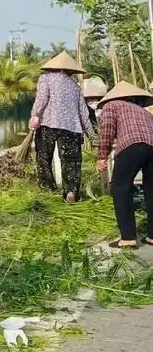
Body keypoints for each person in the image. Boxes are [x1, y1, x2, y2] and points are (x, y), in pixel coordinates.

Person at [28, 51, 95, 203]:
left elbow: (42, 98)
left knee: (43, 158)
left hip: (48, 124)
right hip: (71, 127)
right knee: (71, 161)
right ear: (70, 70)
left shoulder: (46, 78)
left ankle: (48, 189)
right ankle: (70, 191)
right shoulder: (75, 87)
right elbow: (83, 113)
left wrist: (35, 115)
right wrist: (92, 135)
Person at [94, 82, 153, 250]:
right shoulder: (143, 111)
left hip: (131, 146)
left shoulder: (112, 105)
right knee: (151, 189)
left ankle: (127, 238)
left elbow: (106, 131)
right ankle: (152, 236)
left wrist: (101, 157)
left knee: (120, 187)